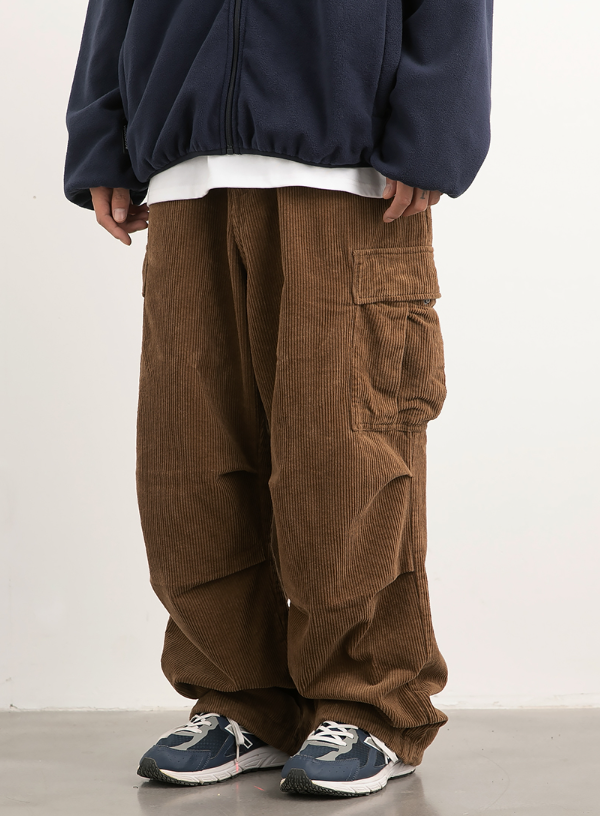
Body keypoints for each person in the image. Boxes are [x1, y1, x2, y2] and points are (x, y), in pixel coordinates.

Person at [64, 0, 493, 798]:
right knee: (188, 462)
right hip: (184, 166)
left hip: (348, 166)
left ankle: (370, 705)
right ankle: (240, 700)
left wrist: (434, 127)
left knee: (344, 453)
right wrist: (101, 135)